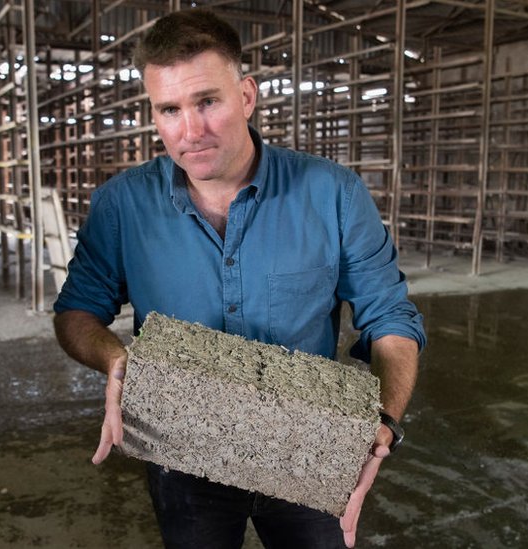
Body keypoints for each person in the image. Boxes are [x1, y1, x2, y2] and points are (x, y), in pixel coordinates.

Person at [53, 9, 425, 549]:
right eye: (170, 109)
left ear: (247, 96)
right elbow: (76, 312)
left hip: (308, 446)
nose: (191, 131)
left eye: (208, 101)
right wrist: (117, 362)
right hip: (182, 451)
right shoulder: (122, 205)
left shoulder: (333, 194)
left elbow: (389, 316)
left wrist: (383, 420)